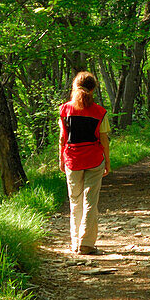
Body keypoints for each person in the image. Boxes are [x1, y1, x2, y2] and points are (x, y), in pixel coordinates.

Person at [59, 71, 111, 255]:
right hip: (94, 159)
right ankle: (87, 243)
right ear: (93, 89)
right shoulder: (99, 112)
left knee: (75, 202)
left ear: (75, 87)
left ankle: (75, 243)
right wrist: (108, 162)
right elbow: (104, 140)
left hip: (72, 160)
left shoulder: (65, 110)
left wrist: (61, 160)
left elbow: (62, 139)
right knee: (90, 202)